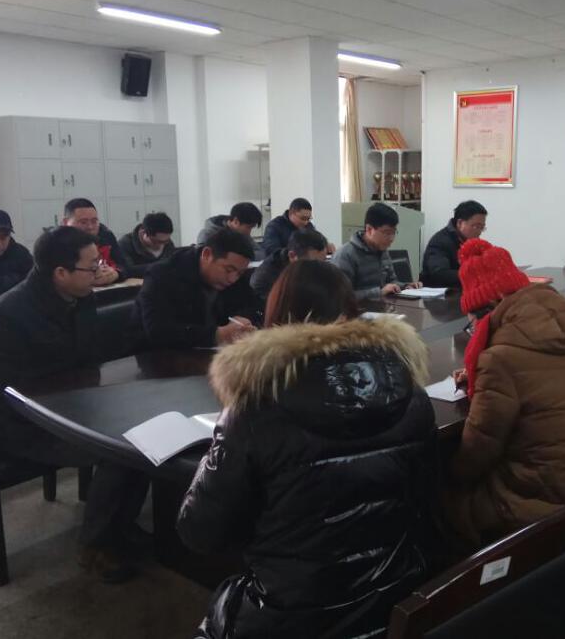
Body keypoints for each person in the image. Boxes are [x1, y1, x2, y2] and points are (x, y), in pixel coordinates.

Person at [178, 260, 436, 638]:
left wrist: (219, 450)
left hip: (288, 614)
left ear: (276, 317)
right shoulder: (411, 393)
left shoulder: (254, 407)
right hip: (391, 596)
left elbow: (200, 532)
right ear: (349, 311)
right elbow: (424, 497)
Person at [0, 226, 149, 582]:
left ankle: (120, 525)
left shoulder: (80, 298)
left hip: (76, 404)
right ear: (60, 272)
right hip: (24, 422)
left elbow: (89, 358)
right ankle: (95, 546)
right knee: (120, 451)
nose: (99, 272)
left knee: (147, 434)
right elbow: (9, 392)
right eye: (91, 266)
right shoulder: (6, 315)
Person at [444, 239, 565, 549]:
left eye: (473, 322)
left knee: (442, 501)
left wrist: (449, 473)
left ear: (495, 303)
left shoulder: (499, 358)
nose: (474, 329)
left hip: (547, 505)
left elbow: (479, 450)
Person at [133, 228, 262, 349]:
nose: (232, 279)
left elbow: (255, 305)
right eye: (228, 270)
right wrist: (217, 335)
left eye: (239, 273)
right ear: (207, 255)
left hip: (212, 354)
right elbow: (158, 331)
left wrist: (243, 318)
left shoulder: (235, 274)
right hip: (157, 356)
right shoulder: (162, 275)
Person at [334, 202, 421, 300]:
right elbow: (340, 297)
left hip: (382, 307)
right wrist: (379, 292)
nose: (391, 238)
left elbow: (391, 281)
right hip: (358, 309)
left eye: (393, 232)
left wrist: (406, 286)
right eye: (387, 232)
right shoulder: (346, 255)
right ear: (369, 229)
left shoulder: (382, 251)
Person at [420, 200, 487, 288]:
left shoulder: (472, 243)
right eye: (476, 226)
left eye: (482, 227)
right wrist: (473, 275)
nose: (479, 232)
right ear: (460, 223)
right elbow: (439, 274)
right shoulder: (440, 241)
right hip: (442, 292)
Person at [250, 228, 328, 303]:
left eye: (322, 262)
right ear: (292, 256)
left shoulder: (313, 268)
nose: (318, 268)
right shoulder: (265, 277)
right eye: (313, 264)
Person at [62, 198, 126, 285]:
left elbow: (124, 267)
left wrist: (116, 274)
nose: (90, 227)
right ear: (66, 222)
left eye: (94, 221)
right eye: (83, 222)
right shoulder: (55, 242)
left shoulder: (105, 236)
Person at [261, 197, 335, 255]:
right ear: (291, 213)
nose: (306, 222)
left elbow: (318, 241)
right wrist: (296, 253)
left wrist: (326, 246)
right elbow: (271, 250)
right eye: (303, 218)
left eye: (308, 219)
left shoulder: (308, 226)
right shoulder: (274, 226)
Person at [118, 211, 176, 278]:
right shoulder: (125, 244)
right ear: (144, 233)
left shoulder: (167, 243)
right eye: (158, 241)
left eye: (166, 241)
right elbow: (127, 270)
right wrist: (161, 267)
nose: (162, 245)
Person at [197, 202, 263, 250]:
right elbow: (202, 258)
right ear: (236, 221)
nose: (249, 232)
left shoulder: (242, 234)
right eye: (248, 227)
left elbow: (260, 253)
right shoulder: (207, 234)